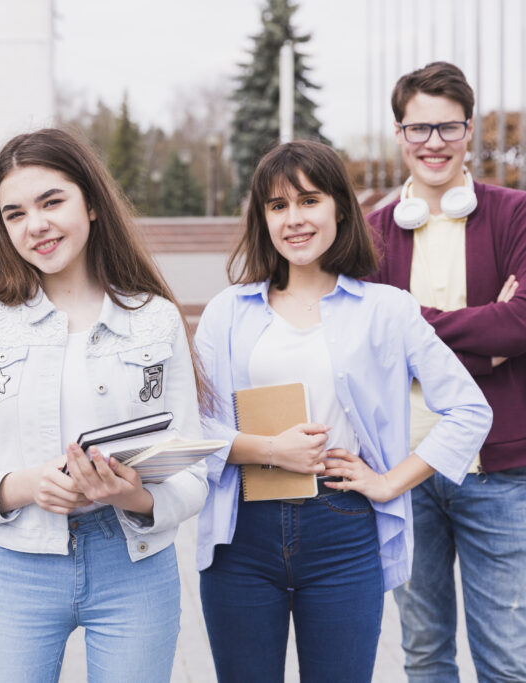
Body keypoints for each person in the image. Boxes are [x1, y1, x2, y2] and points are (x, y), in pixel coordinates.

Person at [194, 139, 492, 682]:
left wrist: (390, 482)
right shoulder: (226, 313)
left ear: (338, 207)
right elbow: (197, 427)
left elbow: (470, 410)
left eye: (309, 200)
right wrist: (269, 449)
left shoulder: (386, 309)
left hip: (341, 527)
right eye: (277, 206)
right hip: (242, 532)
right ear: (262, 219)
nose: (294, 220)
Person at [0, 128, 208, 683]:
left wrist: (135, 496)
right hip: (20, 569)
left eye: (52, 201)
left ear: (93, 204)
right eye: (15, 213)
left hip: (135, 566)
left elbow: (193, 473)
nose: (36, 225)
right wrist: (26, 486)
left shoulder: (154, 317)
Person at [367, 61, 526, 682]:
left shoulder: (517, 213)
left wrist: (412, 329)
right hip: (405, 467)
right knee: (424, 656)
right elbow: (369, 340)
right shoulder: (370, 233)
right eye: (418, 128)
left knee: (504, 660)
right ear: (399, 134)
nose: (433, 143)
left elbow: (524, 324)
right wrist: (483, 327)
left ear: (468, 131)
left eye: (447, 127)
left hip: (498, 470)